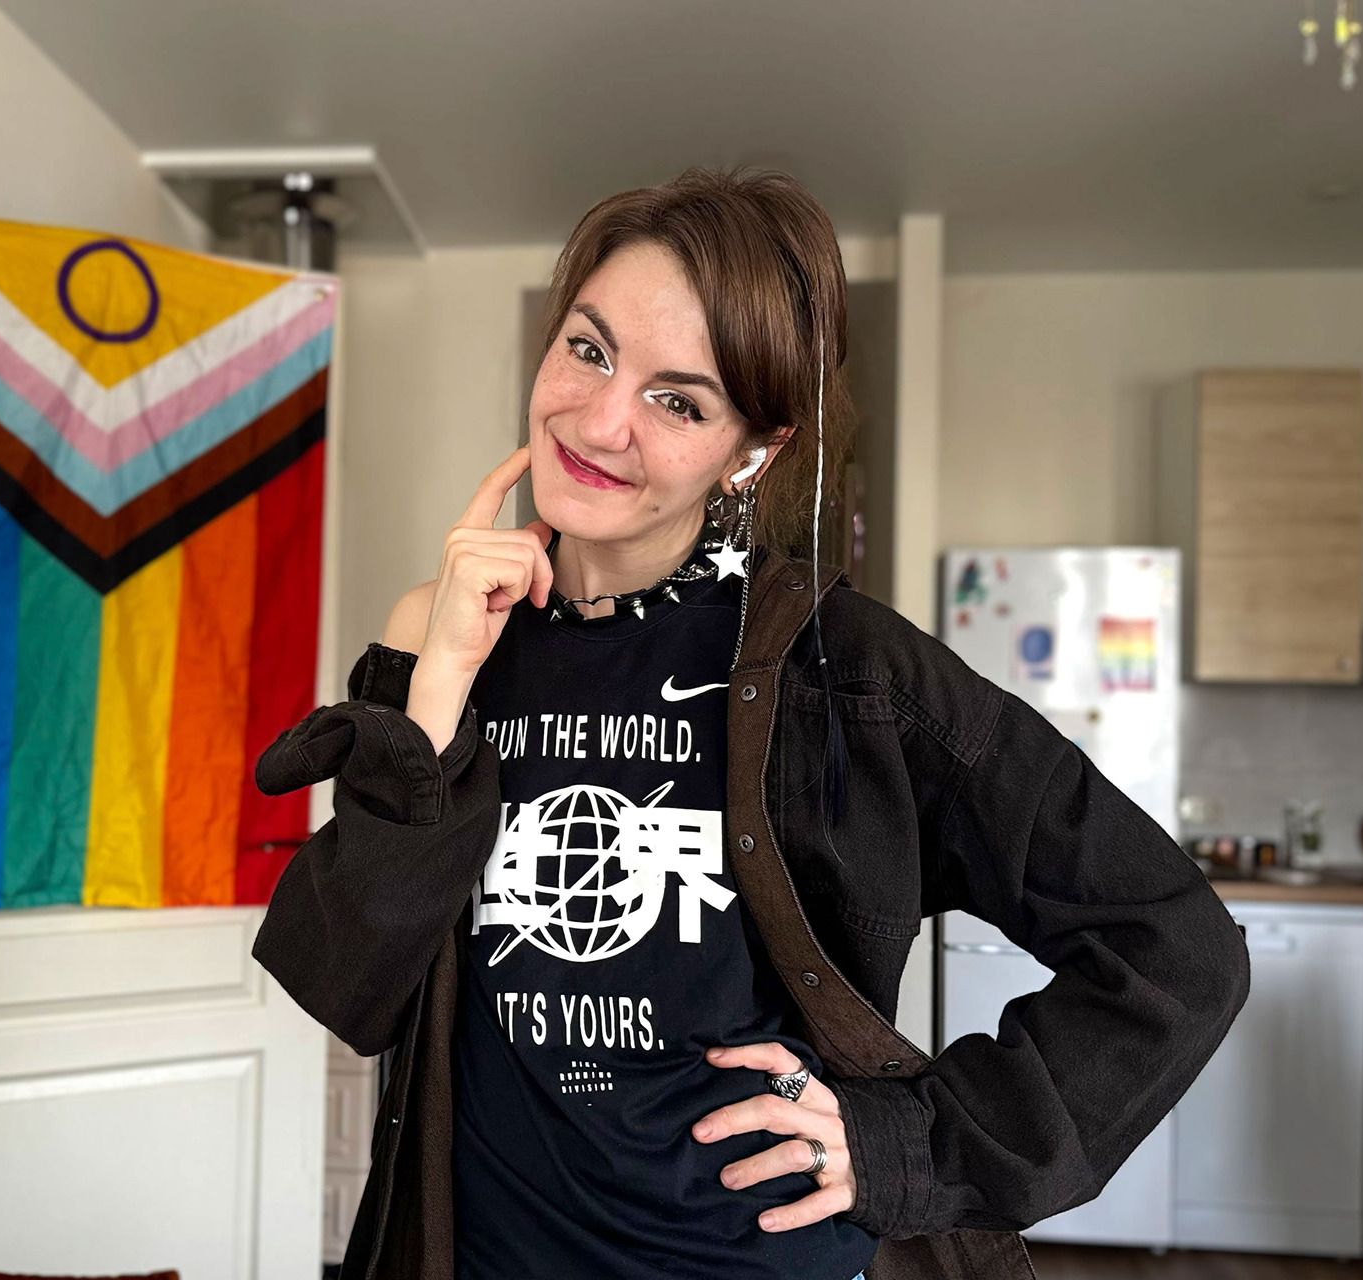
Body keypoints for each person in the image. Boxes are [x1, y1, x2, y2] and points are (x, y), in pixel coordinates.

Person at [252, 166, 1251, 1280]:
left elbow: (1177, 947)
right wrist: (438, 681)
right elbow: (350, 984)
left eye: (679, 401)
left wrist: (907, 1144)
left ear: (752, 450)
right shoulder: (439, 628)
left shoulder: (850, 670)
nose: (601, 422)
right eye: (589, 350)